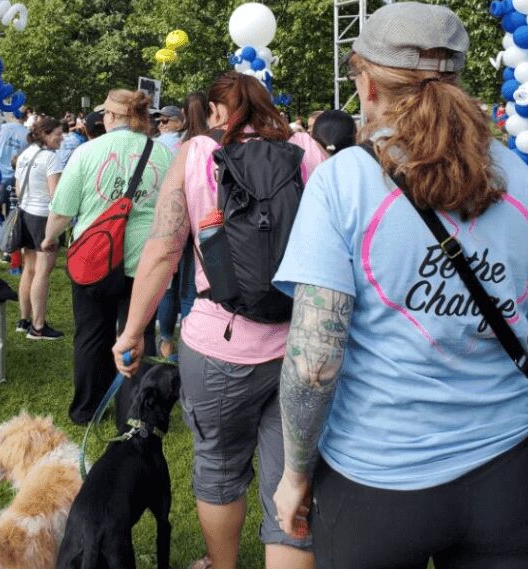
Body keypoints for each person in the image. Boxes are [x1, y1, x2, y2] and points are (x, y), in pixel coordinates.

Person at [272, 1, 528, 569]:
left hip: (375, 481)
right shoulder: (525, 185)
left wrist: (295, 472)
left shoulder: (343, 181)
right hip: (511, 477)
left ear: (370, 84)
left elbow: (313, 363)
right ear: (456, 79)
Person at [114, 72, 325, 569]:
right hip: (303, 342)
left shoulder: (194, 155)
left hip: (219, 342)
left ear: (213, 111)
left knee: (218, 466)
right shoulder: (306, 148)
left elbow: (164, 250)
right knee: (293, 476)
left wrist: (132, 331)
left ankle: (221, 565)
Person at [41, 88, 173, 425]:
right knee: (139, 333)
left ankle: (88, 408)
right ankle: (135, 415)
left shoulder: (86, 153)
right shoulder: (161, 154)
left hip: (94, 258)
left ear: (109, 117)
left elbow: (62, 210)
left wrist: (48, 239)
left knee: (90, 334)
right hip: (145, 260)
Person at [157, 90, 210, 358]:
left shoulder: (173, 146)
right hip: (200, 222)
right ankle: (189, 347)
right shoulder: (212, 144)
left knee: (169, 284)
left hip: (171, 220)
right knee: (190, 287)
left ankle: (166, 341)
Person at [14, 116, 64, 340]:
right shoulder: (51, 158)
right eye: (58, 134)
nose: (61, 138)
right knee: (42, 272)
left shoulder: (24, 154)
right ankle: (39, 326)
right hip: (44, 217)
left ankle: (24, 320)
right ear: (45, 134)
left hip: (26, 214)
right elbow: (57, 195)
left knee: (29, 269)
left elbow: (17, 189)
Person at [0, 107, 29, 220]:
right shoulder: (28, 135)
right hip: (13, 178)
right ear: (26, 116)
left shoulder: (0, 128)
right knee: (10, 214)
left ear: (12, 114)